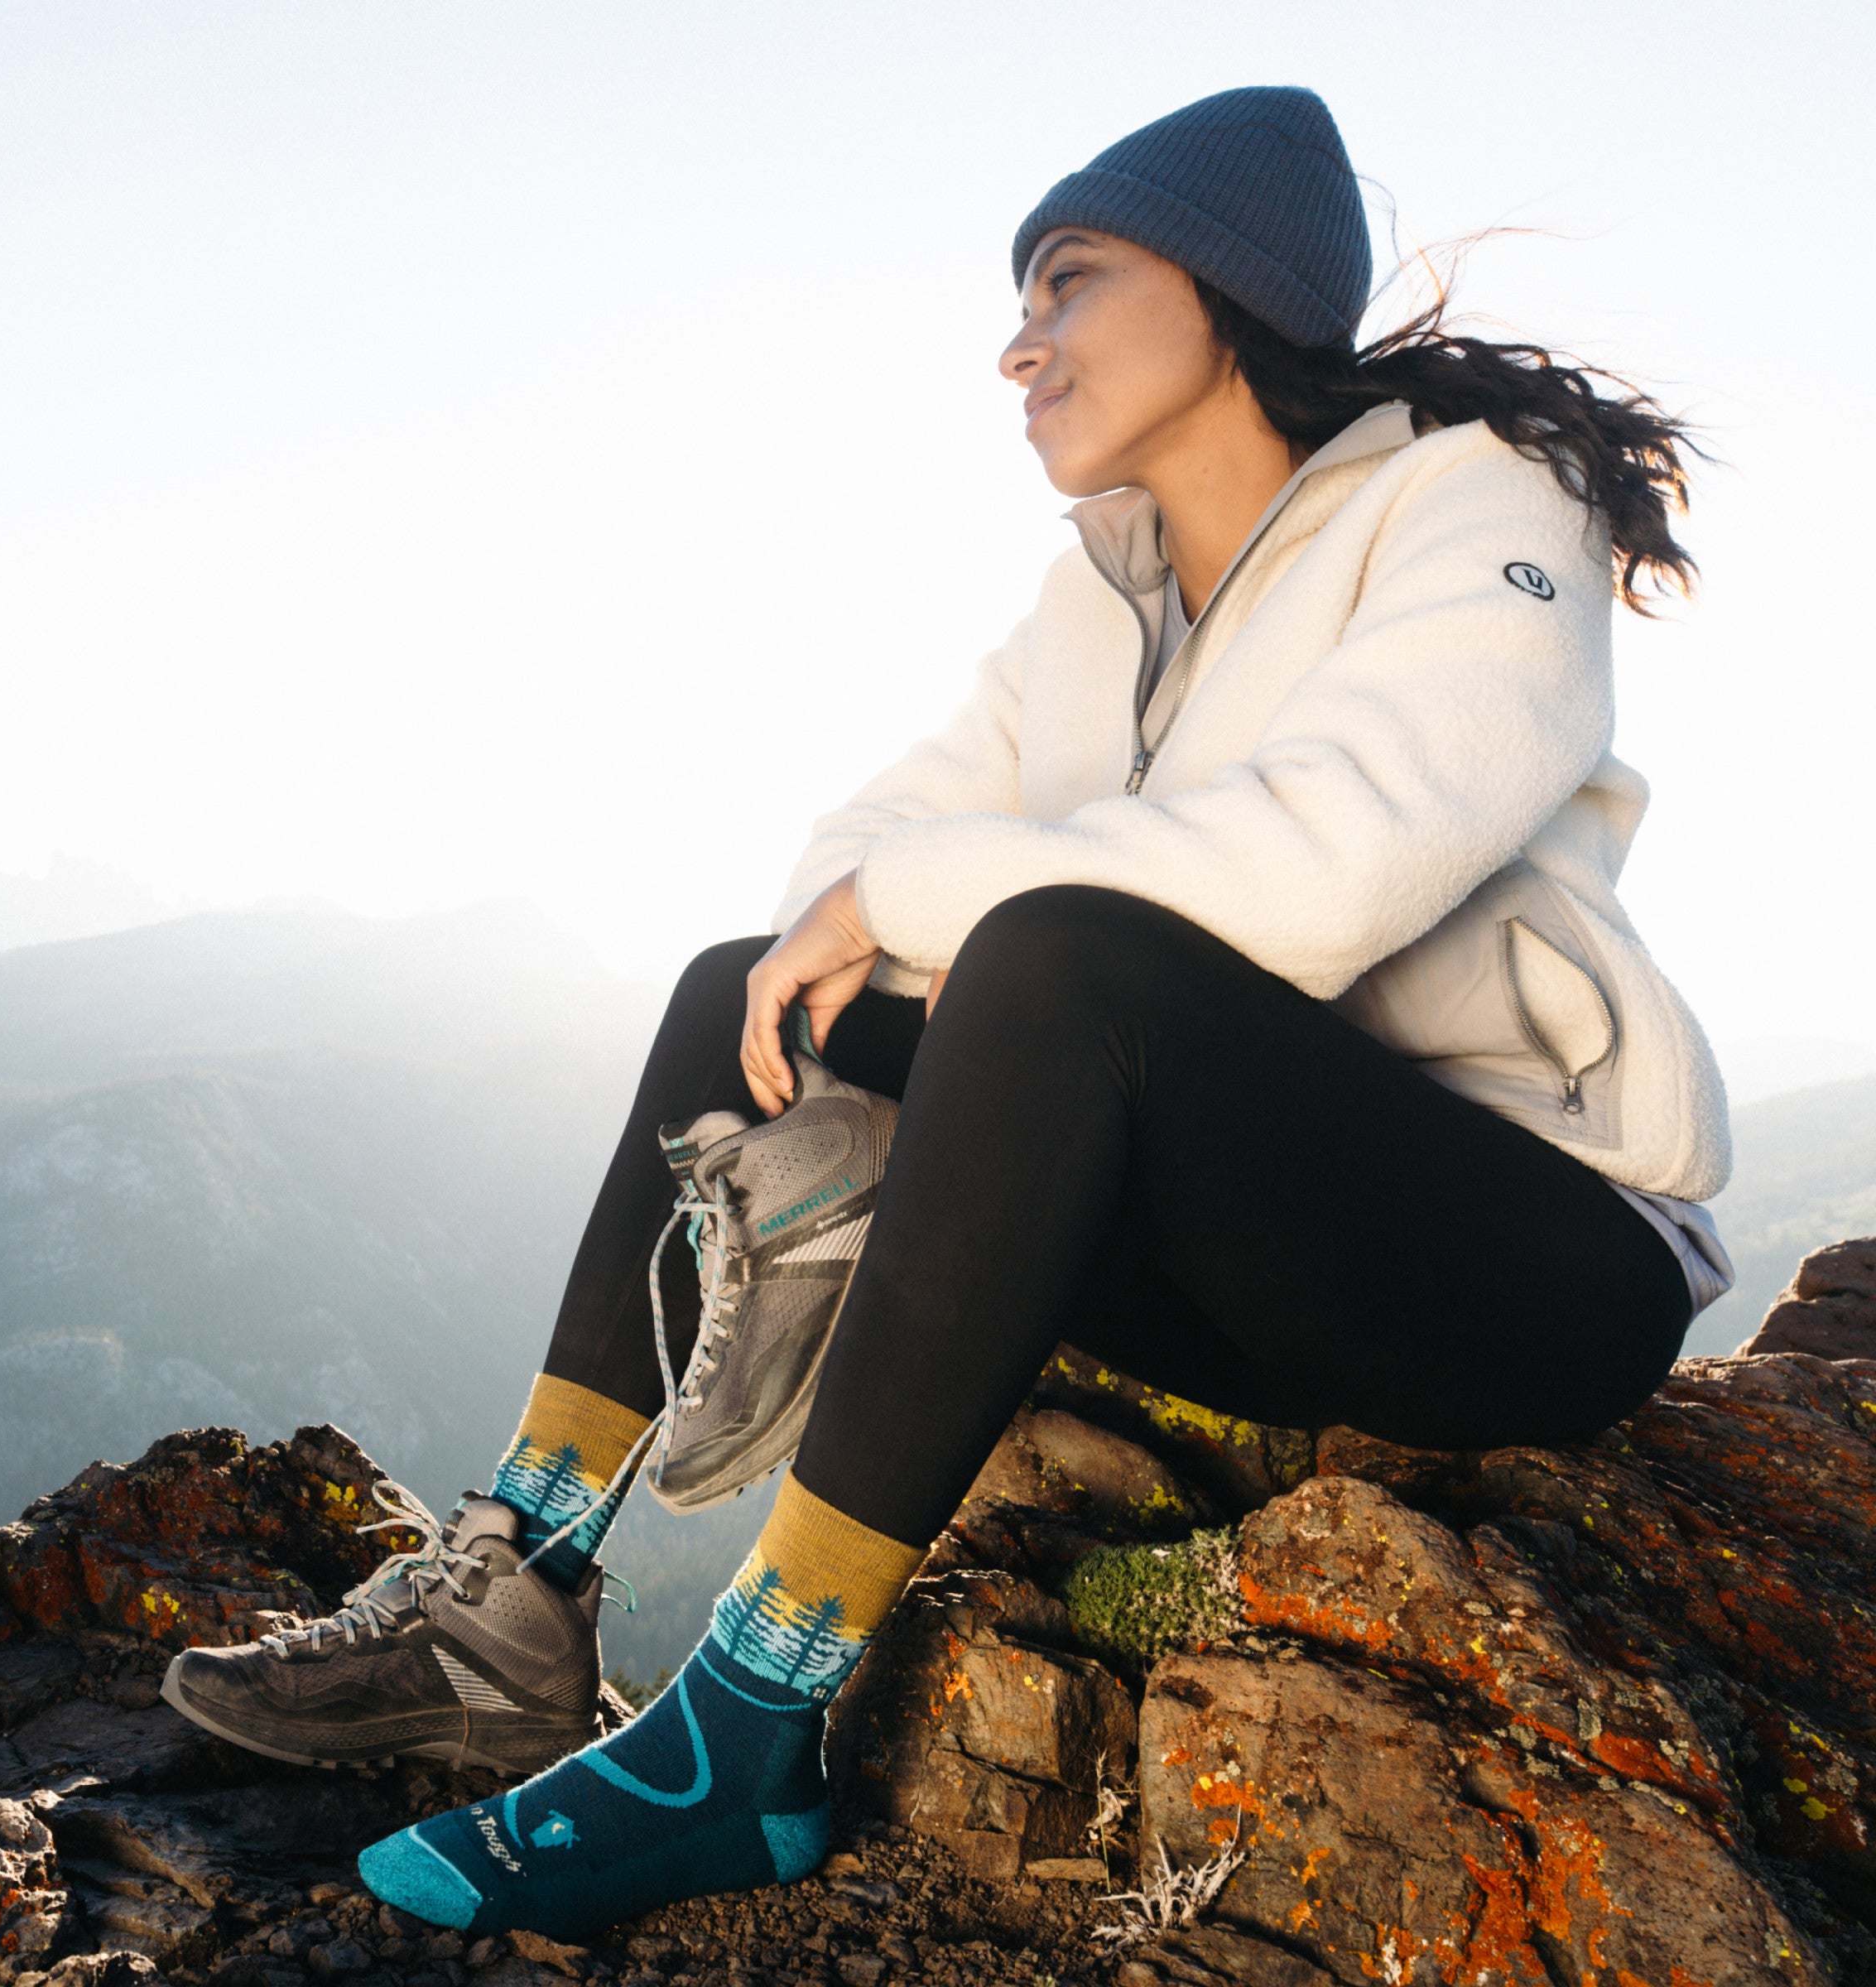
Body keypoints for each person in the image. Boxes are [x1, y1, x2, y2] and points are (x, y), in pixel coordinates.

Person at [159, 85, 1733, 1939]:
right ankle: (513, 1583)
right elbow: (851, 863)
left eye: (1069, 281)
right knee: (732, 1004)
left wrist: (907, 903)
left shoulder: (1477, 505)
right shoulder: (1102, 596)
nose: (1019, 341)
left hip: (1518, 1262)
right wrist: (863, 969)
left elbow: (1323, 882)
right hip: (1231, 1244)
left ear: (1228, 295)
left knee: (1067, 959)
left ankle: (743, 1735)